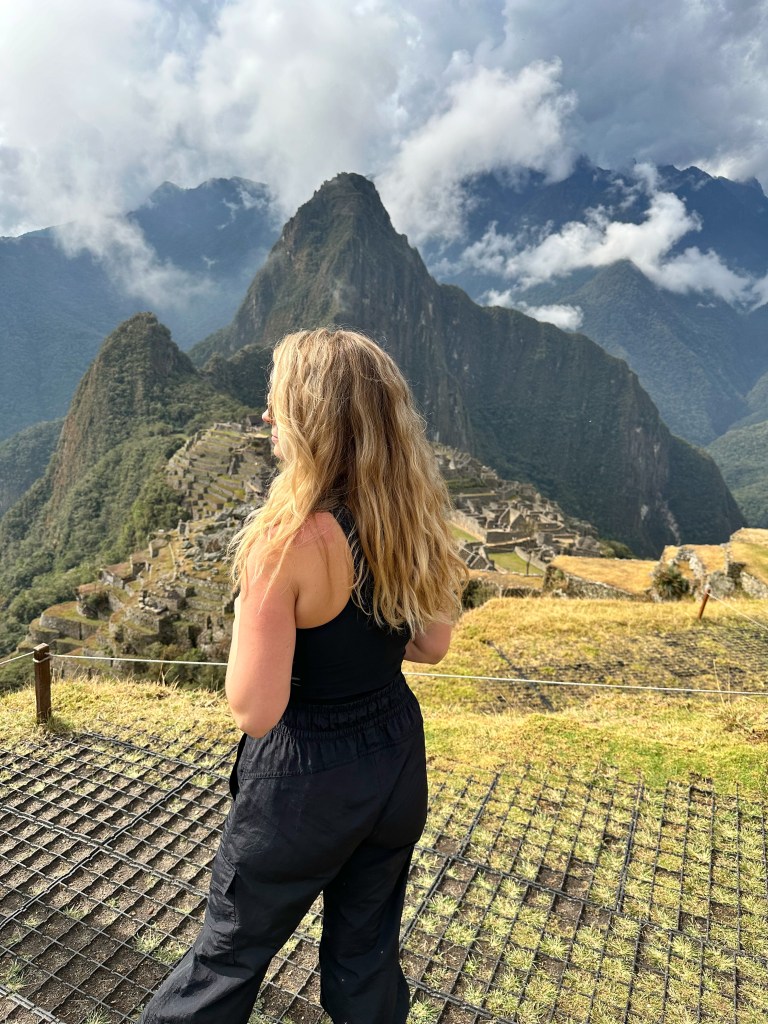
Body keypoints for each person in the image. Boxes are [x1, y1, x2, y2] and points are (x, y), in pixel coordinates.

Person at [139, 327, 467, 1024]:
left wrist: (265, 618)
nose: (265, 419)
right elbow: (432, 646)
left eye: (276, 404)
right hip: (395, 758)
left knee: (228, 957)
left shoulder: (286, 542)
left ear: (311, 420)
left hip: (302, 780)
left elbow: (254, 708)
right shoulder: (417, 518)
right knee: (366, 950)